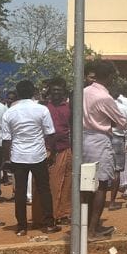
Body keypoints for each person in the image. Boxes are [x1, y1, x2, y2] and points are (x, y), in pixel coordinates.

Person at [2, 80, 61, 237]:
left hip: (18, 156)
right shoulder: (41, 109)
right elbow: (51, 134)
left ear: (18, 93)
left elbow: (6, 140)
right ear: (33, 91)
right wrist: (52, 152)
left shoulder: (9, 112)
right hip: (38, 155)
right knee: (44, 189)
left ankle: (21, 226)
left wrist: (7, 159)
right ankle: (49, 224)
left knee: (20, 192)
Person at [82, 60, 127, 238]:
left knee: (86, 185)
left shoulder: (84, 92)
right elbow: (123, 123)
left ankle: (85, 226)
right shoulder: (104, 97)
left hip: (83, 140)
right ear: (109, 77)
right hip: (99, 141)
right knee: (101, 185)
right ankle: (92, 229)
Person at [44, 79, 73, 224]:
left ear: (63, 92)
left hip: (66, 148)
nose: (56, 93)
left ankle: (64, 213)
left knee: (67, 183)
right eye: (54, 90)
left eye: (59, 90)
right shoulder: (44, 107)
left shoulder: (69, 107)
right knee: (54, 183)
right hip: (50, 150)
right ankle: (53, 214)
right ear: (50, 92)